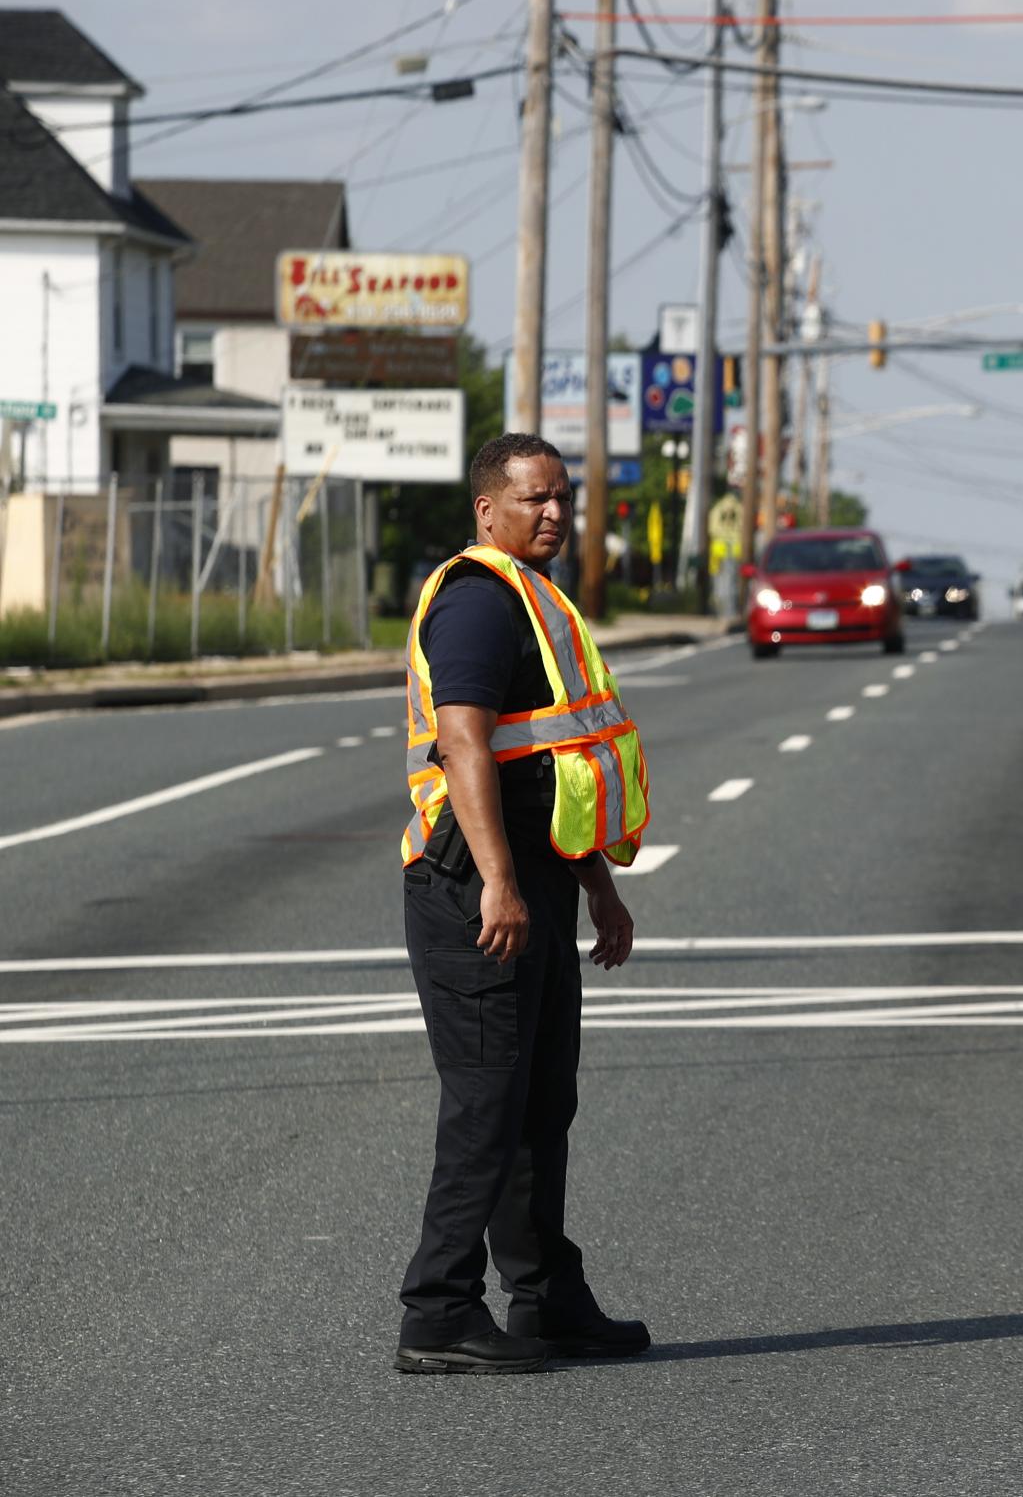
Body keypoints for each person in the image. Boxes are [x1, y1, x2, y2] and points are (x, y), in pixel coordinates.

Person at [394, 434, 653, 1375]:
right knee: (487, 1105)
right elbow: (464, 747)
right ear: (487, 509)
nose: (553, 513)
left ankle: (546, 1302)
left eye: (562, 498)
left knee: (543, 1103)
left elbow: (552, 763)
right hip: (473, 882)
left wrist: (598, 889)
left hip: (533, 876)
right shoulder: (476, 604)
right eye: (535, 498)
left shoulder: (539, 600)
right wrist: (500, 883)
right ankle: (437, 1313)